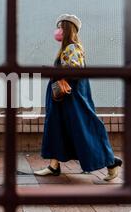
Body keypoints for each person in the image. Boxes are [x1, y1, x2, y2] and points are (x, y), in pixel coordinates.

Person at [34, 14, 123, 181]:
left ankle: (111, 162)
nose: (58, 30)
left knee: (83, 130)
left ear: (67, 29)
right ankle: (54, 166)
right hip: (64, 100)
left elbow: (75, 72)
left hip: (72, 100)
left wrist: (54, 72)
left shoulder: (73, 48)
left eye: (61, 27)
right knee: (58, 129)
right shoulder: (67, 48)